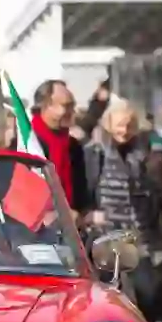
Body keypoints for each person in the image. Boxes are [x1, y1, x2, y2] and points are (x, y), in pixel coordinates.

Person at [83, 100, 162, 322]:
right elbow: (87, 187)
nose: (125, 130)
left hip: (137, 232)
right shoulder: (95, 152)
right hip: (106, 232)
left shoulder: (143, 151)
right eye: (120, 125)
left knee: (148, 288)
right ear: (108, 124)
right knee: (110, 290)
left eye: (130, 125)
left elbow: (154, 188)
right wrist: (89, 214)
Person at [30, 79, 93, 219]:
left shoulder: (73, 146)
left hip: (71, 232)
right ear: (45, 106)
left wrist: (84, 213)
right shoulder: (25, 145)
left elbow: (81, 192)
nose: (72, 112)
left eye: (73, 106)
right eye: (66, 106)